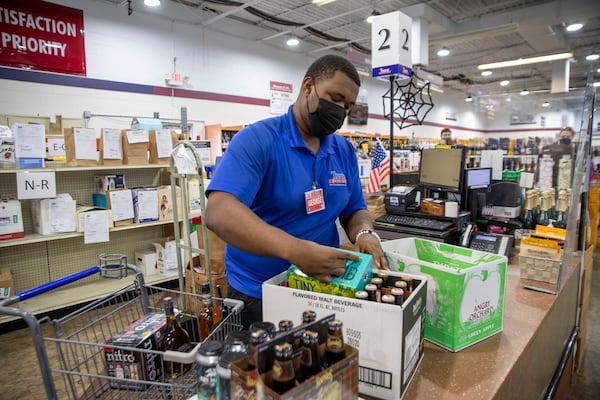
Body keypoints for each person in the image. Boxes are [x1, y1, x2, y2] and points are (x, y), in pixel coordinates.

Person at [204, 54, 389, 328]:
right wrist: (296, 251)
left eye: (348, 106)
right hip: (259, 293)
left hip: (323, 286)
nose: (340, 111)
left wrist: (364, 233)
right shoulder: (258, 140)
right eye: (335, 98)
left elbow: (354, 209)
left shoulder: (343, 151)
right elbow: (218, 212)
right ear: (308, 87)